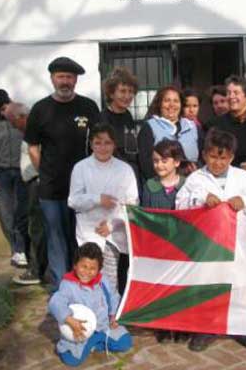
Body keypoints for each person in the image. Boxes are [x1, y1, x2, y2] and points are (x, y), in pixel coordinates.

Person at [176, 129, 246, 352]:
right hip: (209, 244)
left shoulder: (243, 177)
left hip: (239, 243)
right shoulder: (196, 179)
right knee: (209, 283)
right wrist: (202, 198)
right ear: (205, 155)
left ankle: (242, 329)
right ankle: (207, 328)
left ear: (232, 157)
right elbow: (180, 204)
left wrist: (243, 200)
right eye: (213, 157)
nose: (217, 162)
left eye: (223, 157)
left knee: (241, 283)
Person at [24, 56, 100, 288]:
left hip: (82, 188)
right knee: (55, 238)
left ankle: (83, 281)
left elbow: (98, 143)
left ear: (76, 80)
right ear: (52, 79)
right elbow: (33, 147)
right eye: (61, 77)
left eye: (69, 77)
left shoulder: (88, 107)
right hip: (51, 188)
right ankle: (61, 285)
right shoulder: (40, 109)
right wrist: (44, 172)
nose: (65, 81)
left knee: (78, 237)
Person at [68, 123, 139, 294]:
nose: (103, 147)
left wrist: (112, 225)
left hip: (113, 234)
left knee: (110, 281)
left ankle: (110, 315)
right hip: (89, 232)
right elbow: (73, 200)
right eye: (98, 142)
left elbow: (132, 204)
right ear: (91, 144)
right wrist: (97, 199)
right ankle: (90, 314)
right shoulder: (81, 168)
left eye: (107, 143)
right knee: (88, 278)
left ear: (114, 144)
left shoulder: (124, 170)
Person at [48, 242, 132, 367]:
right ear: (75, 265)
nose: (87, 272)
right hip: (81, 330)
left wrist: (113, 315)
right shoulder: (68, 285)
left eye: (92, 268)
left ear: (99, 270)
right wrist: (69, 320)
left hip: (103, 326)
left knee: (125, 343)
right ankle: (88, 343)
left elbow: (113, 296)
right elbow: (55, 301)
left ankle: (95, 343)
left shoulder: (103, 281)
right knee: (72, 360)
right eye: (84, 266)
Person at [140, 139, 189, 344]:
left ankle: (182, 324)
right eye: (156, 161)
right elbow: (144, 215)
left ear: (177, 162)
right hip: (159, 246)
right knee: (161, 285)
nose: (159, 165)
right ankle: (162, 323)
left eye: (164, 161)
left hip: (182, 246)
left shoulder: (188, 185)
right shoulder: (149, 186)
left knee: (181, 285)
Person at [0, 89, 29, 268]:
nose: (3, 112)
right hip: (2, 173)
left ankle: (23, 249)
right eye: (0, 110)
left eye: (5, 107)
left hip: (22, 171)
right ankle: (16, 249)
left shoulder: (22, 115)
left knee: (22, 211)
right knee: (6, 213)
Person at [5, 103, 47, 285]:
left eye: (14, 123)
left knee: (37, 229)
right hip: (32, 183)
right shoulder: (32, 130)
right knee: (35, 227)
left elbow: (45, 157)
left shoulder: (39, 129)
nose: (13, 127)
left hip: (39, 183)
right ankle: (39, 268)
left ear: (22, 117)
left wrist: (42, 178)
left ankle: (37, 271)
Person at [137, 85, 203, 181]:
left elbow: (204, 154)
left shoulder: (193, 127)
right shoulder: (149, 127)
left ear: (181, 105)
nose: (172, 104)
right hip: (160, 186)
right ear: (159, 104)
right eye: (167, 100)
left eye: (176, 101)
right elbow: (145, 162)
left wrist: (197, 169)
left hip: (191, 184)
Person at [99, 67, 139, 175]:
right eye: (122, 91)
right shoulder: (103, 118)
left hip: (131, 173)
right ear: (111, 94)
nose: (127, 96)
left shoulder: (127, 116)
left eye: (131, 91)